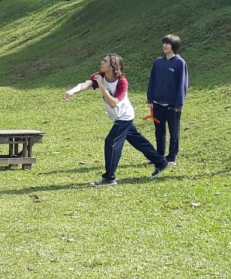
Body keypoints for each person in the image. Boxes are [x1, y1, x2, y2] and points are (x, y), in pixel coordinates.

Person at [64, 53, 169, 186]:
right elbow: (85, 84)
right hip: (117, 117)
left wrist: (102, 86)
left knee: (111, 142)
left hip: (124, 117)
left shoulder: (122, 82)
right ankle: (160, 162)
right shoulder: (100, 76)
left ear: (113, 66)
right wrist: (71, 91)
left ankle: (109, 178)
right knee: (137, 141)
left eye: (105, 61)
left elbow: (113, 103)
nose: (101, 62)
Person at [146, 34, 189, 166]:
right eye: (164, 43)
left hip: (172, 105)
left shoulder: (180, 63)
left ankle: (171, 157)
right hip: (157, 103)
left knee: (173, 131)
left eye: (168, 43)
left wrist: (179, 103)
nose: (164, 46)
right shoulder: (158, 62)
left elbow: (183, 84)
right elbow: (152, 80)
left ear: (174, 46)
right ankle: (159, 157)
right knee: (159, 131)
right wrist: (150, 99)